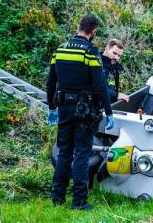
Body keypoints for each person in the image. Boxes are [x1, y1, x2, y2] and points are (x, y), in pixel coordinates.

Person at [46, 14, 115, 210]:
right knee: (82, 154)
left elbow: (51, 81)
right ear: (94, 31)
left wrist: (52, 107)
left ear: (78, 27)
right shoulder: (90, 52)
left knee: (64, 152)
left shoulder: (60, 49)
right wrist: (109, 112)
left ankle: (57, 198)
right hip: (85, 110)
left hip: (64, 108)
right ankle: (79, 202)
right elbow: (100, 85)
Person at [101, 38, 129, 103]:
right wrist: (117, 95)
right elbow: (96, 90)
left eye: (119, 55)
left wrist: (118, 96)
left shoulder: (114, 66)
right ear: (107, 48)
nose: (116, 57)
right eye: (114, 53)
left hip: (111, 106)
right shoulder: (96, 64)